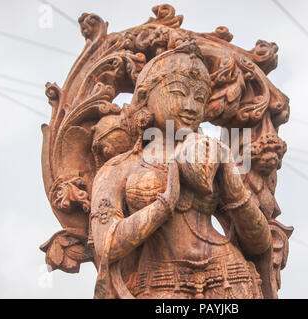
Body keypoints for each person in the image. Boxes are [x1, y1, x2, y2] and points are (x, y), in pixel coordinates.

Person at [90, 41, 272, 299]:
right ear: (144, 98)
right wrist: (165, 203)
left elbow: (260, 243)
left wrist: (232, 188)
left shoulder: (212, 155)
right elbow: (106, 245)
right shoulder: (120, 167)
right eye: (178, 92)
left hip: (230, 277)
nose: (190, 106)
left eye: (199, 98)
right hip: (161, 284)